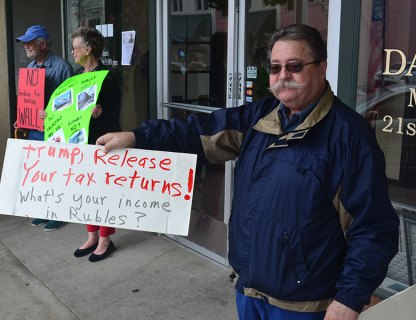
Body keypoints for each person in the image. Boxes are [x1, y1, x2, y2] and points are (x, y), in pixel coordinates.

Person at [95, 24, 400, 320]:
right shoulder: (260, 116)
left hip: (304, 306)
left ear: (321, 68)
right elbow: (196, 132)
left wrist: (349, 299)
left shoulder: (349, 137)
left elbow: (373, 228)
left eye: (294, 66)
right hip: (249, 291)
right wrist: (138, 137)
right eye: (276, 67)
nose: (283, 76)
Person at [15, 25, 74, 231]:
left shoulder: (62, 67)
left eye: (30, 42)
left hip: (54, 130)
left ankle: (58, 212)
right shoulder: (31, 69)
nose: (26, 46)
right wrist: (23, 117)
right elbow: (28, 101)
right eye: (25, 42)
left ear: (43, 44)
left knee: (56, 172)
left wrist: (52, 114)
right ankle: (44, 209)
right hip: (34, 130)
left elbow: (72, 104)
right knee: (40, 172)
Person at [70, 26, 121, 262]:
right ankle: (91, 235)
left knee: (102, 191)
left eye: (75, 47)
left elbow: (115, 114)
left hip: (103, 143)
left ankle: (105, 239)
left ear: (88, 49)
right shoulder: (75, 77)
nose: (72, 52)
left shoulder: (108, 76)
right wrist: (49, 116)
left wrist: (101, 113)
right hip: (81, 145)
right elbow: (69, 112)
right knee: (85, 190)